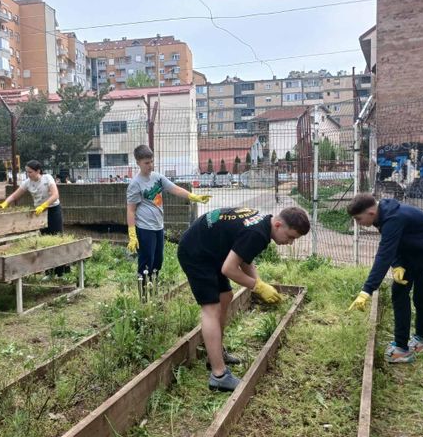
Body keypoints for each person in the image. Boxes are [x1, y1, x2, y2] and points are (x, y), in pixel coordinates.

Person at [178, 206, 310, 391]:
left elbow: (244, 257)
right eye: (291, 237)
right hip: (196, 253)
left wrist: (259, 283)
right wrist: (258, 286)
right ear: (279, 225)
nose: (290, 243)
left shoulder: (263, 224)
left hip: (212, 249)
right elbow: (229, 269)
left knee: (226, 297)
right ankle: (219, 375)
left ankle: (215, 355)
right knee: (211, 309)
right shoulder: (257, 233)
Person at [346, 193, 423, 363]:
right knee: (399, 291)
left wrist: (367, 290)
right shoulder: (383, 215)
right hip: (412, 249)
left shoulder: (394, 217)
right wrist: (398, 264)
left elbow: (384, 254)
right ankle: (401, 347)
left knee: (421, 294)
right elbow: (394, 243)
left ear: (371, 212)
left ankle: (420, 339)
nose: (357, 223)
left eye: (358, 219)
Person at [127, 144, 212, 285]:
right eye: (146, 163)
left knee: (158, 261)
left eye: (152, 161)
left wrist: (193, 196)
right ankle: (144, 295)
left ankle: (153, 289)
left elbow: (175, 189)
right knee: (146, 262)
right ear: (138, 163)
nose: (150, 165)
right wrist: (132, 234)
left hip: (158, 227)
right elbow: (130, 210)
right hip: (144, 229)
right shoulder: (135, 184)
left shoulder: (157, 178)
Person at [0, 160, 69, 276]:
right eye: (27, 172)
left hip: (53, 210)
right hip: (40, 214)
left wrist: (44, 205)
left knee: (56, 240)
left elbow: (55, 195)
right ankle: (49, 273)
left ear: (38, 171)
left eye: (30, 172)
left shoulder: (47, 178)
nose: (28, 174)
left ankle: (61, 272)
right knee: (45, 241)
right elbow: (15, 195)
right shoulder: (28, 183)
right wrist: (5, 203)